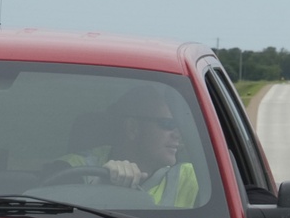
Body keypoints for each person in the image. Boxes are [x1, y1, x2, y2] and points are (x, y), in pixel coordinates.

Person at [56, 85, 198, 207]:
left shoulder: (197, 177)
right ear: (132, 128)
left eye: (179, 126)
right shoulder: (74, 168)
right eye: (168, 124)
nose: (177, 134)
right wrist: (100, 187)